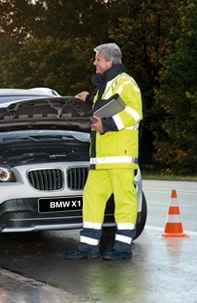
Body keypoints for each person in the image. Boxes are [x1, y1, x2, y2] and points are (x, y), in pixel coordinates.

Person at [65, 43, 143, 261]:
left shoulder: (126, 82)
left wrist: (106, 125)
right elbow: (107, 104)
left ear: (109, 62)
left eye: (98, 59)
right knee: (92, 198)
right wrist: (89, 98)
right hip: (101, 158)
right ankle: (88, 246)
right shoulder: (107, 85)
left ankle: (123, 247)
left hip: (120, 155)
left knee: (124, 201)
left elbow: (134, 113)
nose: (94, 63)